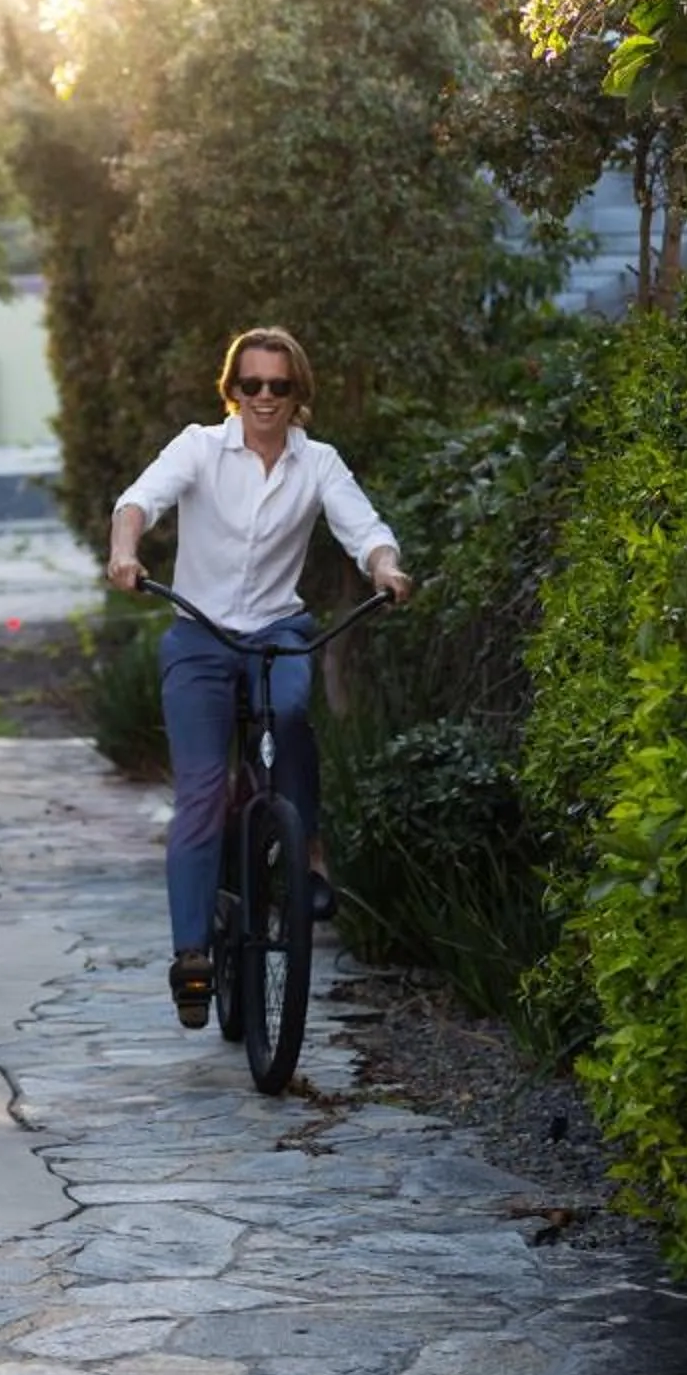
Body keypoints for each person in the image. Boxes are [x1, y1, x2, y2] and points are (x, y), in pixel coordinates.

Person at [108, 324, 411, 1029]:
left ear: (298, 392)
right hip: (200, 633)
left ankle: (306, 851)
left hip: (276, 630)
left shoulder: (319, 462)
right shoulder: (199, 447)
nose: (265, 397)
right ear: (233, 390)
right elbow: (138, 501)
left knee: (293, 711)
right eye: (252, 384)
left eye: (279, 385)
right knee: (201, 792)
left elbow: (365, 530)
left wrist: (387, 568)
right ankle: (191, 953)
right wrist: (126, 550)